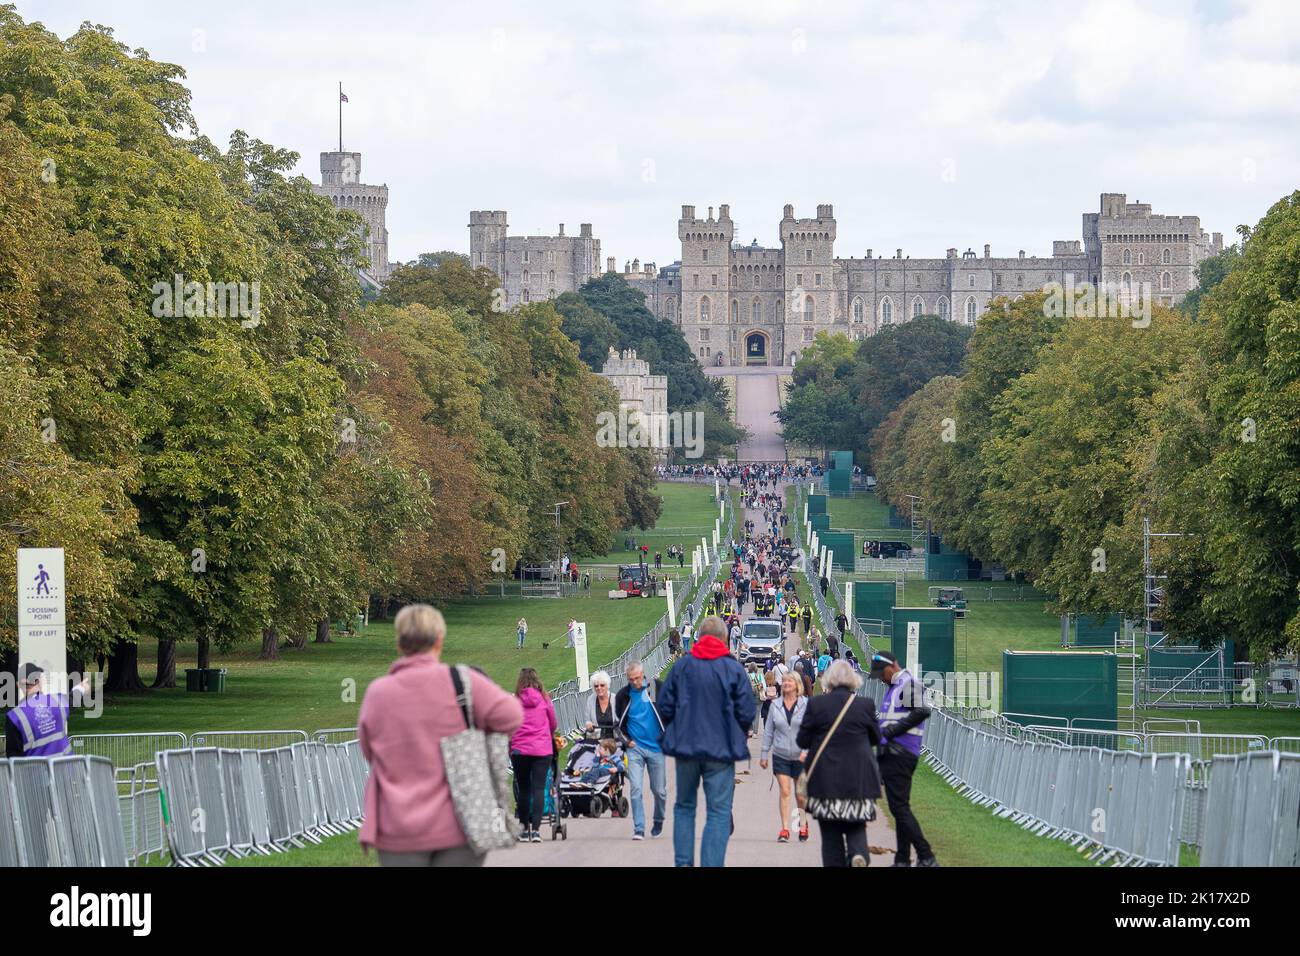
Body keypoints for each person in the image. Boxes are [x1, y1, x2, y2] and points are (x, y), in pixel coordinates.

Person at [358, 604, 523, 866]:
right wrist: (474, 729)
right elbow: (512, 715)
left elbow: (368, 748)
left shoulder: (378, 693)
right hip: (459, 821)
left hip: (398, 825)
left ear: (399, 643)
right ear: (438, 641)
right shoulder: (461, 681)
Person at [658, 615, 755, 867]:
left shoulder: (682, 666)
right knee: (718, 812)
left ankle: (683, 863)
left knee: (684, 807)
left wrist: (677, 728)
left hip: (687, 747)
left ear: (699, 637)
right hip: (721, 750)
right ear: (724, 639)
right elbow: (747, 710)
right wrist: (737, 731)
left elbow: (665, 705)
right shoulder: (733, 668)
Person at [796, 659, 883, 867]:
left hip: (826, 778)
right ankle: (858, 853)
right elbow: (876, 738)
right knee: (856, 825)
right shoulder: (865, 705)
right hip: (859, 777)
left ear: (829, 680)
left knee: (830, 833)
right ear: (854, 680)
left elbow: (802, 740)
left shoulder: (817, 704)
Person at [871, 651, 939, 867]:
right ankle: (902, 859)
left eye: (881, 674)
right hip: (891, 753)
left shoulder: (908, 682)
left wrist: (891, 732)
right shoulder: (894, 688)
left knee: (899, 807)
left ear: (891, 667)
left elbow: (922, 711)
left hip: (900, 752)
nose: (880, 678)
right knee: (899, 808)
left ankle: (926, 856)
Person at [615, 661, 667, 840]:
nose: (635, 683)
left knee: (659, 790)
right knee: (636, 788)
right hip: (635, 748)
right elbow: (619, 725)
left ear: (643, 675)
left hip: (656, 747)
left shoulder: (653, 687)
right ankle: (639, 828)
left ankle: (658, 820)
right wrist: (626, 741)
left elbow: (668, 711)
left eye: (637, 678)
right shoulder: (624, 695)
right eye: (631, 680)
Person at [759, 670, 810, 843]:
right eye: (785, 681)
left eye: (790, 681)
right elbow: (768, 732)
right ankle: (785, 829)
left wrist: (807, 751)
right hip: (780, 754)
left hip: (801, 755)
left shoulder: (806, 705)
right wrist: (764, 754)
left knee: (800, 794)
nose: (787, 684)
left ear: (797, 685)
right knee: (785, 791)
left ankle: (802, 824)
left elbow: (812, 731)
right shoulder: (775, 705)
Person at [509, 668, 559, 843]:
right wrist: (545, 734)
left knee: (524, 789)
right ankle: (536, 830)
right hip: (541, 749)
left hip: (520, 750)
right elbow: (553, 723)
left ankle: (523, 829)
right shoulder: (544, 700)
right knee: (538, 789)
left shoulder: (515, 701)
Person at [4, 664, 89, 758]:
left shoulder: (15, 716)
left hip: (33, 771)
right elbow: (73, 698)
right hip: (66, 769)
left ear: (18, 685)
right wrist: (82, 687)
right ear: (39, 681)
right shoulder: (57, 700)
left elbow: (13, 757)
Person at [584, 670, 618, 739]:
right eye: (596, 686)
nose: (599, 688)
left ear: (607, 686)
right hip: (596, 740)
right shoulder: (590, 700)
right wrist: (589, 725)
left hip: (615, 740)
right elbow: (587, 720)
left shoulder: (616, 699)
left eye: (602, 685)